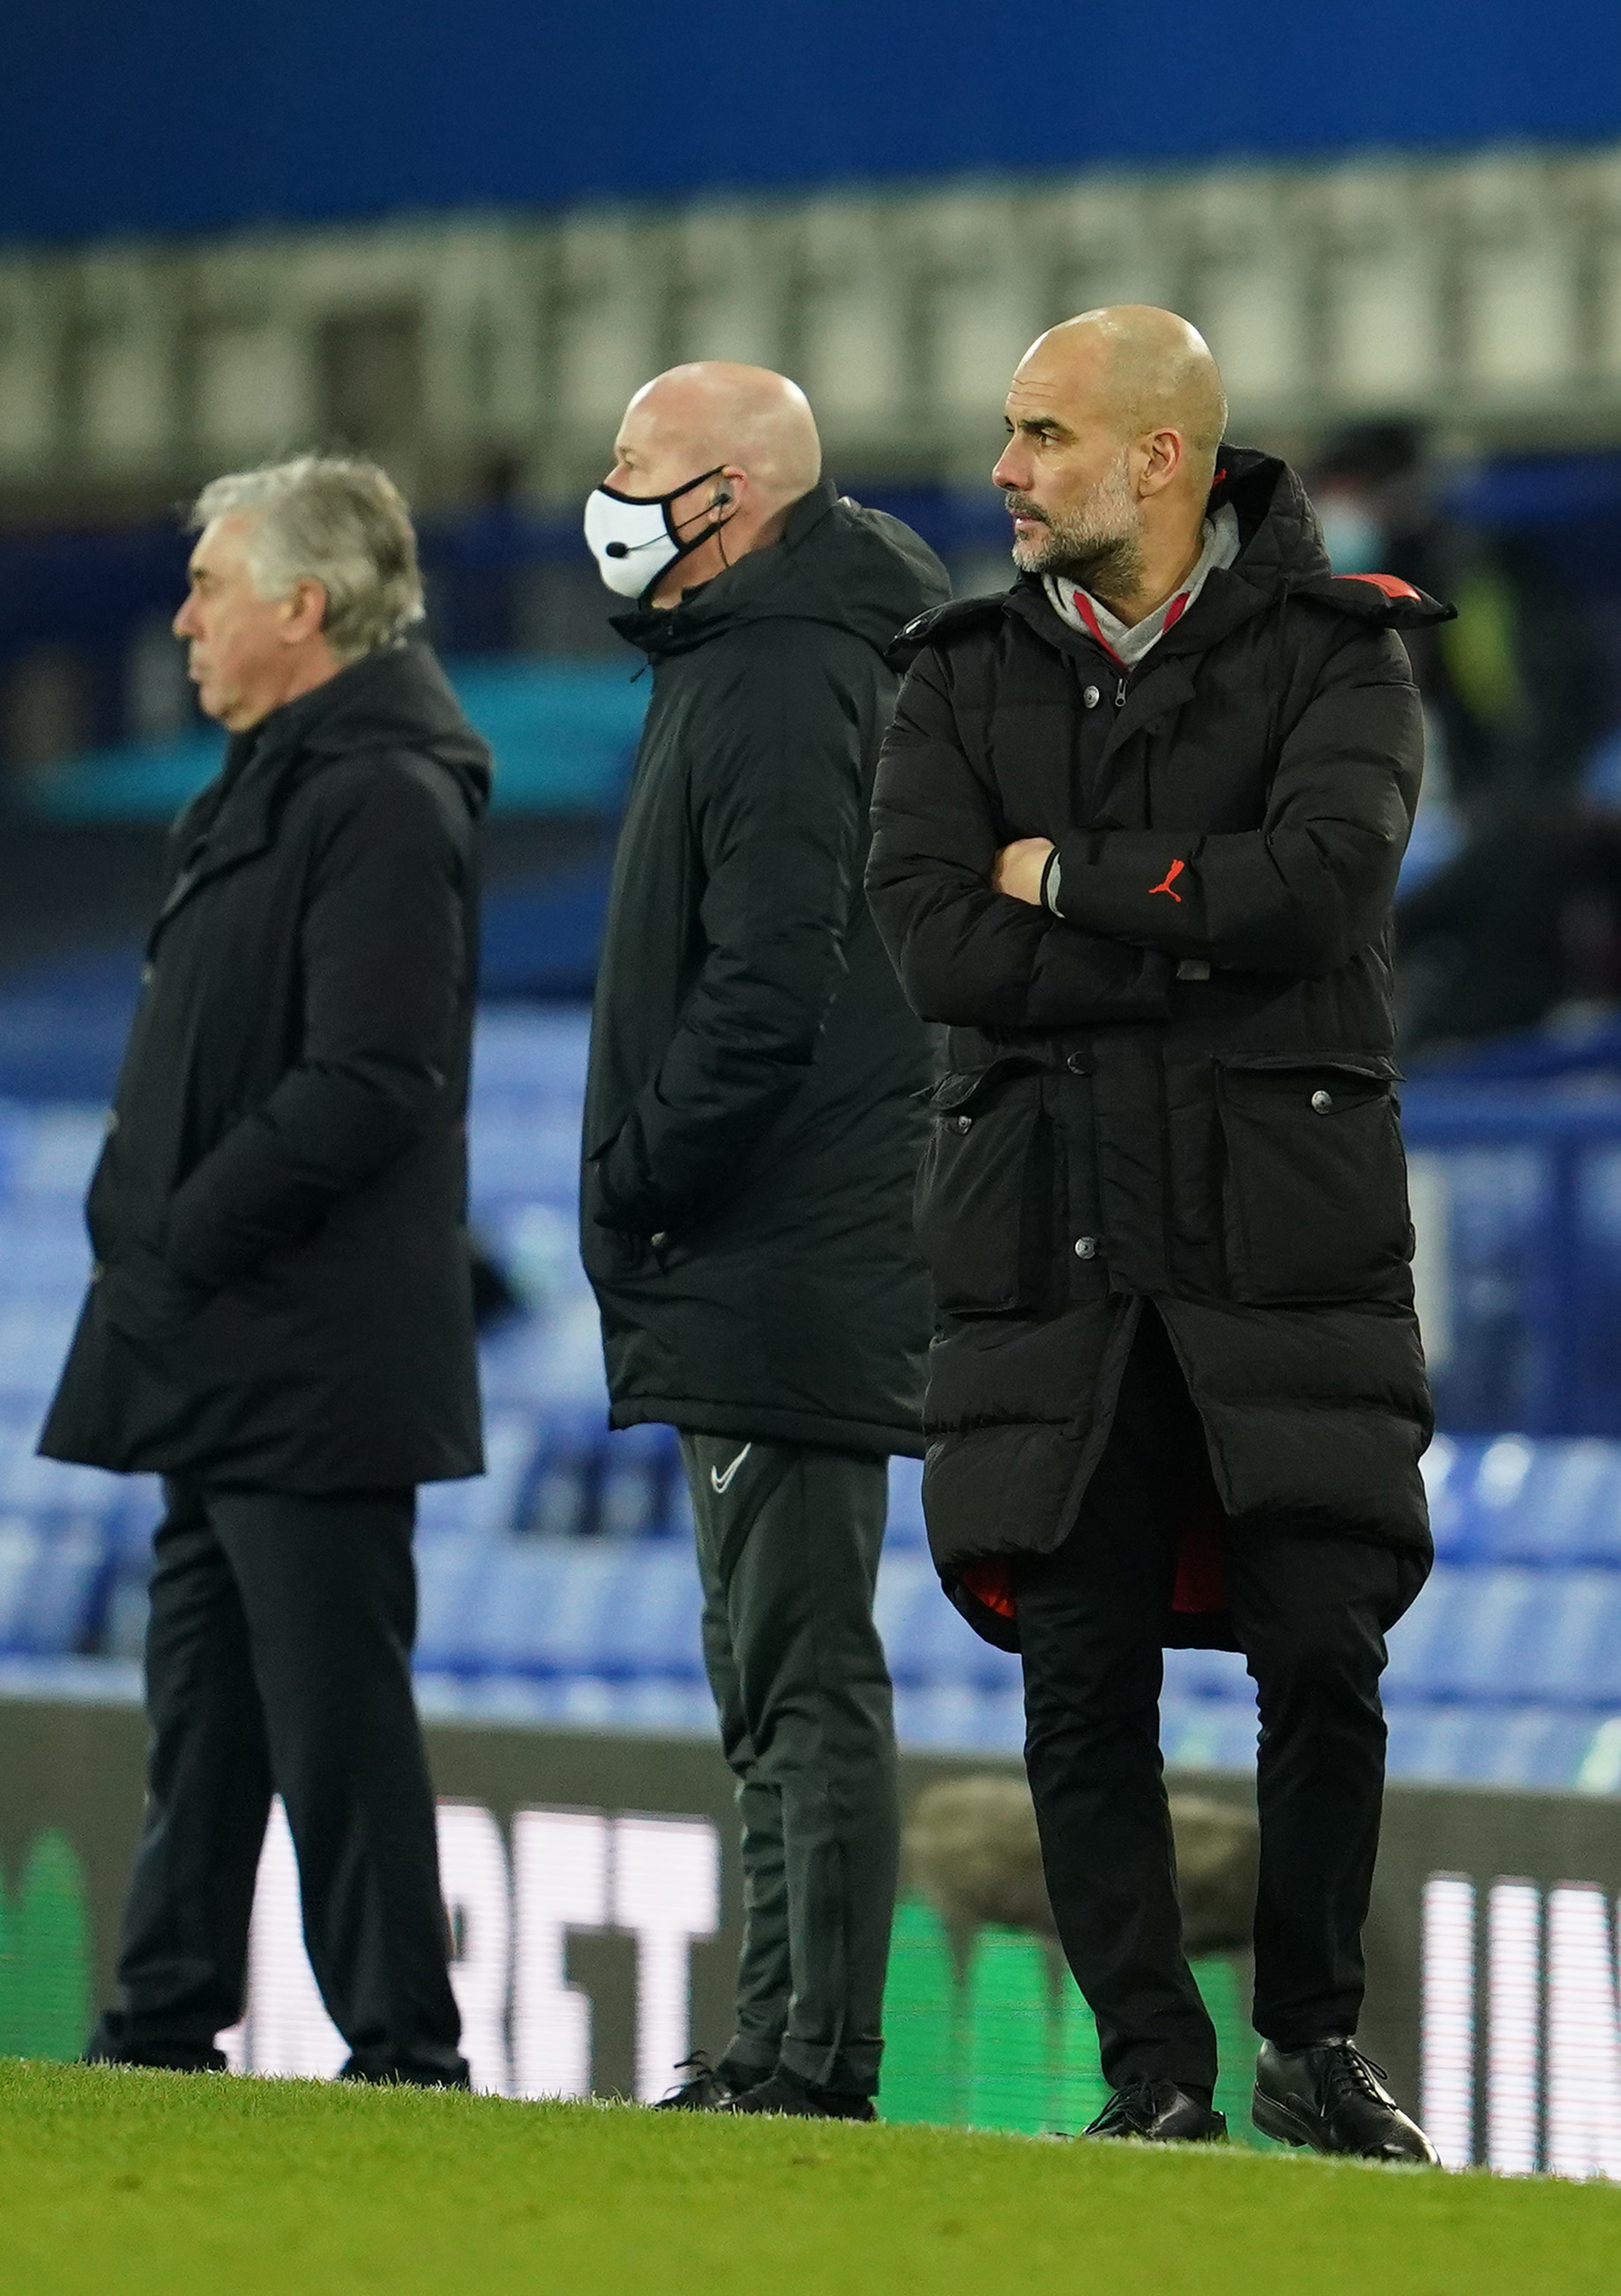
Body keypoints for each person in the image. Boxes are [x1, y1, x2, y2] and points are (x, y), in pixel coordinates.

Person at [866, 308, 1447, 2160]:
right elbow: (933, 944)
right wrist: (1190, 945)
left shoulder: (1342, 653)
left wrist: (1062, 880)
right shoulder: (957, 675)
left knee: (1324, 1657)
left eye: (1042, 434)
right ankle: (1153, 2076)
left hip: (1285, 1256)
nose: (1004, 471)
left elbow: (1319, 891)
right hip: (1048, 1248)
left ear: (1159, 458)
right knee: (1078, 1673)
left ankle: (1311, 2044)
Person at [41, 455, 488, 2085]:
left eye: (209, 587)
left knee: (331, 1717)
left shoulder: (381, 796)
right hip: (220, 1341)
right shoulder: (262, 785)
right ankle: (159, 2023)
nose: (181, 620)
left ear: (303, 608)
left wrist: (179, 1232)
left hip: (308, 1351)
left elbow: (373, 1078)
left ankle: (406, 2054)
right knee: (206, 1708)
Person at [579, 362, 949, 2121]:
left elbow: (771, 979)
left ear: (725, 496)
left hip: (779, 1243)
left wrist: (643, 1174)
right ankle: (770, 2045)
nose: (603, 492)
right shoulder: (746, 655)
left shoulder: (789, 668)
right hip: (767, 1244)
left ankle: (814, 2061)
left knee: (799, 1676)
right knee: (768, 1676)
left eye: (631, 464)